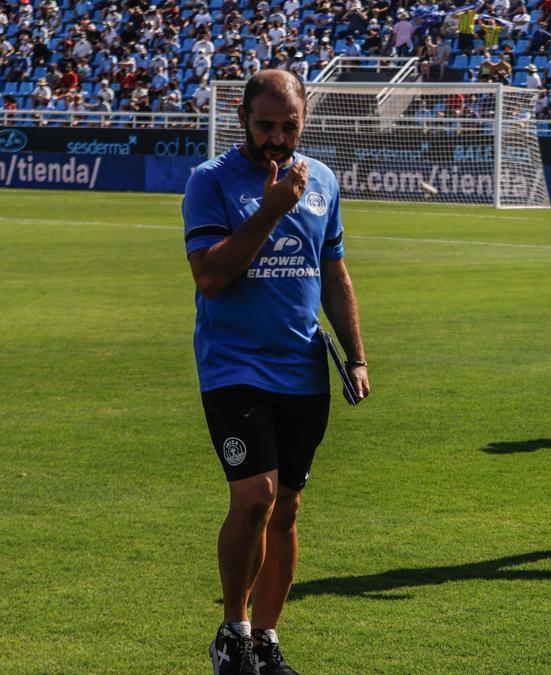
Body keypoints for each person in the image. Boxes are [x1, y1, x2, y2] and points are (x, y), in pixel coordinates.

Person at [183, 70, 370, 675]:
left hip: (303, 369)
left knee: (286, 506)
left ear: (305, 120)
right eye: (266, 126)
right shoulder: (210, 183)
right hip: (234, 367)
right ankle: (232, 632)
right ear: (242, 117)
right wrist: (269, 210)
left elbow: (335, 275)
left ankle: (265, 640)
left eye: (290, 127)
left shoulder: (323, 182)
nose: (278, 140)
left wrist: (357, 355)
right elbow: (210, 275)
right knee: (254, 494)